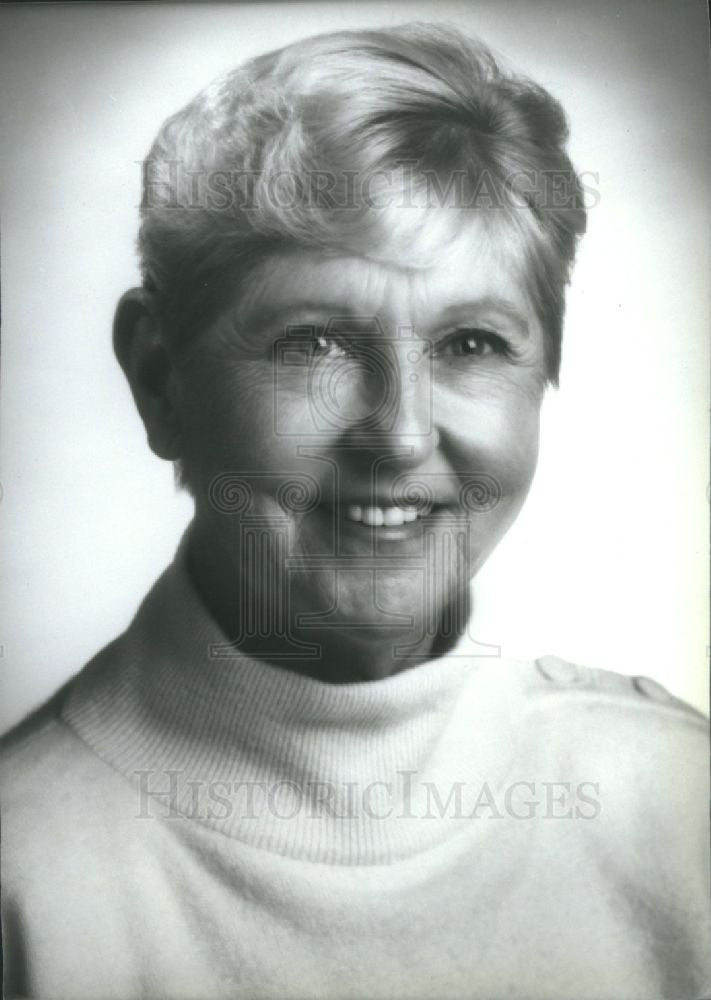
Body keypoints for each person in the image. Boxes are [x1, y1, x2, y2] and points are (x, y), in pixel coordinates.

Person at [1, 21, 708, 1000]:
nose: (402, 436)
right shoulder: (26, 878)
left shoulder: (678, 807)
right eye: (317, 341)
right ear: (160, 378)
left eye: (470, 343)